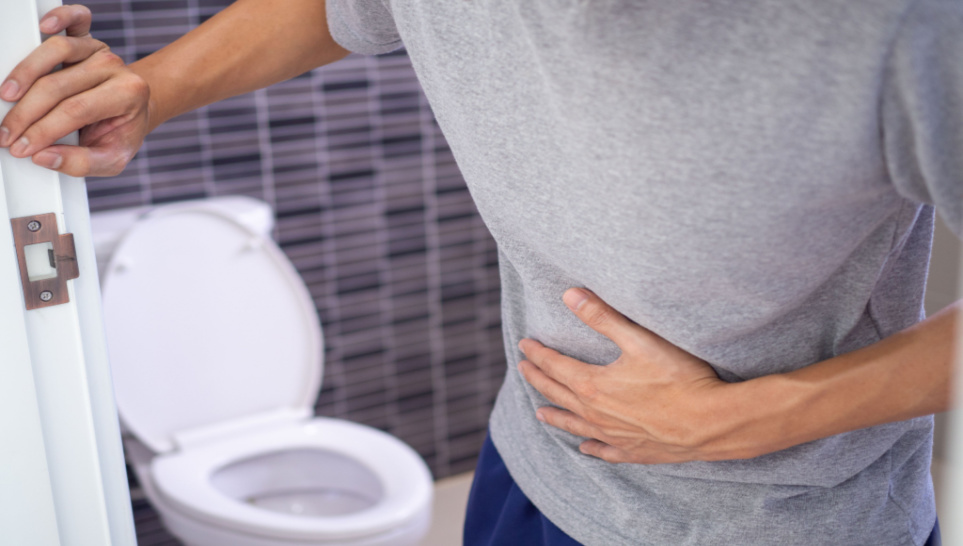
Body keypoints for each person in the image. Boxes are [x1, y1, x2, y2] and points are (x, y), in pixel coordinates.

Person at [2, 2, 960, 544]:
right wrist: (158, 88)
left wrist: (751, 416)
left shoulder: (904, 32)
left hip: (778, 524)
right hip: (532, 461)